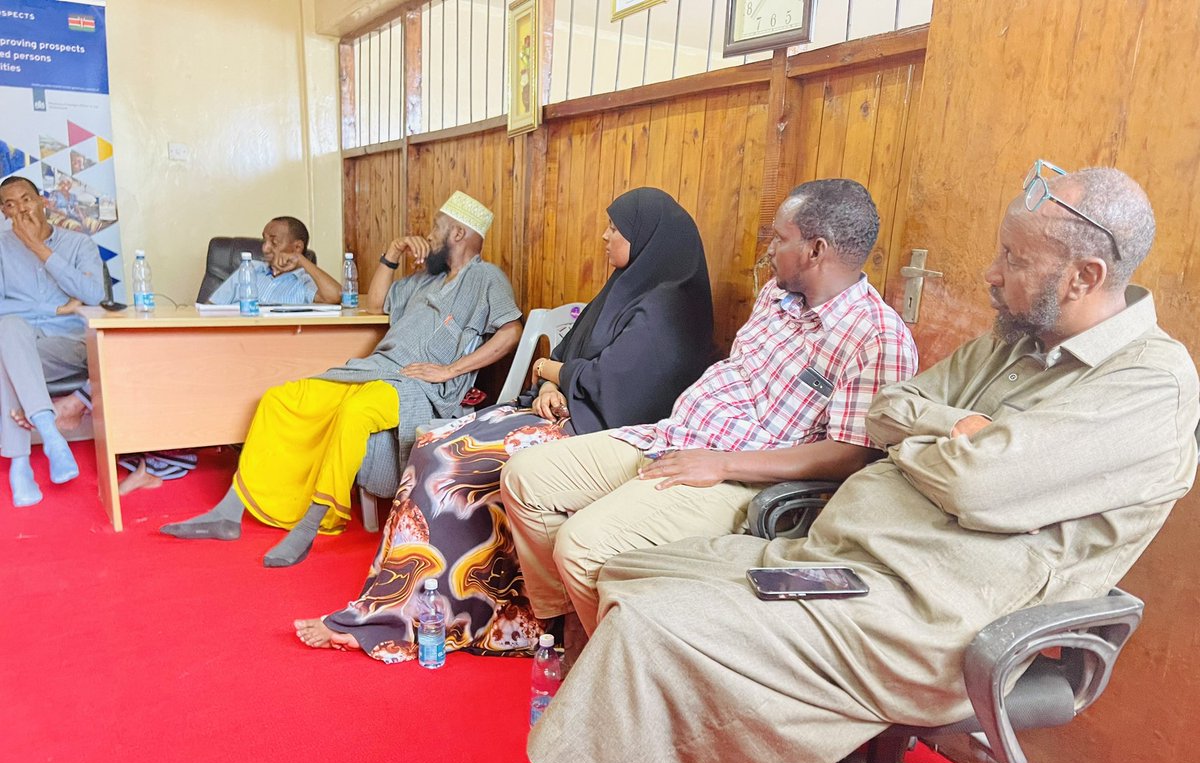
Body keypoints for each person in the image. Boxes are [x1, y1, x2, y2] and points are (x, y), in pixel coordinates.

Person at [525, 164, 1200, 763]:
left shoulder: (1149, 386)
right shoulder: (1014, 342)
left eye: (1014, 259)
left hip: (930, 616)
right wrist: (963, 432)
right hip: (839, 559)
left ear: (1083, 275)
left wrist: (957, 450)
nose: (990, 272)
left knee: (650, 630)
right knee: (629, 570)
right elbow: (889, 411)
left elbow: (978, 484)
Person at [292, 187, 716, 661]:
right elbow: (567, 355)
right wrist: (553, 383)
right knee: (434, 441)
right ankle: (396, 602)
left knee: (452, 466)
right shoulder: (621, 289)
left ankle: (454, 615)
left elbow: (621, 388)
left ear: (645, 237)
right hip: (561, 409)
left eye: (613, 229)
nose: (604, 235)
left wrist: (552, 375)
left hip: (603, 432)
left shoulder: (670, 308)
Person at [499, 178, 918, 646]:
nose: (769, 251)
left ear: (816, 249)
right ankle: (566, 629)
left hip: (737, 478)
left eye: (780, 239)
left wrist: (721, 464)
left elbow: (851, 455)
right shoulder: (775, 299)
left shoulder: (876, 337)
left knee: (581, 543)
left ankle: (618, 670)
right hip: (673, 437)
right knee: (524, 477)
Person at [161, 191, 523, 567]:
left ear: (458, 235)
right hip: (376, 369)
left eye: (436, 228)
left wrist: (450, 370)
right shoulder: (426, 281)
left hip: (422, 388)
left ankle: (311, 525)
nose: (429, 235)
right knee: (283, 398)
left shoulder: (486, 278)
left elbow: (511, 331)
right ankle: (228, 512)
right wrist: (392, 253)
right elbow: (375, 304)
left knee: (356, 411)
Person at [0, 174, 105, 507]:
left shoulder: (79, 245)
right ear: (3, 213)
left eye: (26, 200)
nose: (20, 210)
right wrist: (54, 307)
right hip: (19, 340)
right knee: (9, 329)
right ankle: (49, 436)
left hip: (68, 344)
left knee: (5, 355)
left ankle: (19, 463)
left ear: (43, 201)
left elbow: (92, 294)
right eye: (9, 205)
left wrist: (37, 248)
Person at [202, 216, 341, 305]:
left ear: (297, 246)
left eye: (274, 242)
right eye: (264, 240)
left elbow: (335, 296)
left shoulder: (305, 282)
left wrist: (300, 259)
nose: (265, 248)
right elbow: (210, 309)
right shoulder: (249, 270)